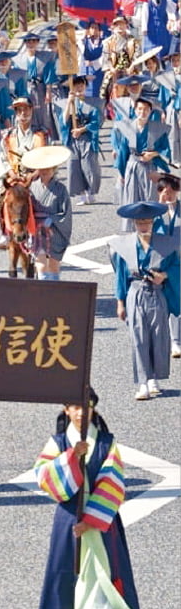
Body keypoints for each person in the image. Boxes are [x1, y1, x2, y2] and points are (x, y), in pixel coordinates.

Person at [34, 387, 141, 609]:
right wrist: (71, 458)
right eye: (75, 406)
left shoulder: (107, 442)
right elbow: (43, 476)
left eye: (87, 405)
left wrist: (91, 520)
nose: (82, 412)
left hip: (101, 519)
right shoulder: (57, 442)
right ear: (65, 409)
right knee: (74, 573)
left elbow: (113, 480)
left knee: (98, 575)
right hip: (69, 516)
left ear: (94, 408)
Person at [109, 201, 180, 399]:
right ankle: (142, 382)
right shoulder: (126, 245)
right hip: (135, 292)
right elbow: (121, 276)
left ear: (153, 222)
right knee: (138, 337)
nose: (144, 226)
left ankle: (154, 377)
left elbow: (176, 267)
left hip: (157, 292)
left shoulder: (165, 243)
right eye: (140, 223)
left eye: (147, 222)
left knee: (158, 336)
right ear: (134, 223)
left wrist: (164, 275)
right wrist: (120, 302)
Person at [0, 97, 46, 248]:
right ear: (15, 113)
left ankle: (37, 234)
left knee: (41, 204)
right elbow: (3, 158)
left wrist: (35, 174)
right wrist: (10, 173)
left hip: (34, 176)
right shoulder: (8, 135)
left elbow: (45, 157)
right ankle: (5, 232)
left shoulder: (40, 134)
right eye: (19, 110)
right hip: (14, 176)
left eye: (26, 109)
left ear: (31, 110)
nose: (23, 113)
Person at [113, 96, 171, 228]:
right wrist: (121, 173)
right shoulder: (128, 127)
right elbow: (123, 152)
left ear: (150, 111)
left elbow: (165, 148)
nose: (142, 112)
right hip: (132, 166)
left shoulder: (157, 128)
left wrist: (153, 154)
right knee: (133, 198)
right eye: (139, 109)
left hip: (150, 167)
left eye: (146, 109)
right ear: (135, 110)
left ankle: (154, 227)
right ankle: (135, 229)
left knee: (151, 197)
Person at [20, 145, 72, 280]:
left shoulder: (60, 189)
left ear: (54, 169)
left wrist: (52, 220)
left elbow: (65, 213)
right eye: (41, 168)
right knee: (41, 264)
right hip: (37, 230)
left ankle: (55, 292)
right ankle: (43, 292)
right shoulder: (32, 186)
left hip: (55, 230)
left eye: (48, 168)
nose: (44, 171)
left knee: (54, 265)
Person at [55, 75, 102, 206]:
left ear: (86, 86)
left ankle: (90, 192)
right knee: (73, 166)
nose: (79, 88)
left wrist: (81, 130)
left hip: (87, 137)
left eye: (82, 85)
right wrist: (70, 102)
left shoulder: (92, 103)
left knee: (89, 166)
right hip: (72, 139)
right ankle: (80, 194)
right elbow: (63, 121)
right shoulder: (68, 102)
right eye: (76, 86)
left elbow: (96, 122)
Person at [154, 174, 181, 358]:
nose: (167, 194)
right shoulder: (153, 213)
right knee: (167, 301)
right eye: (163, 191)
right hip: (162, 264)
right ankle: (173, 341)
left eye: (171, 191)